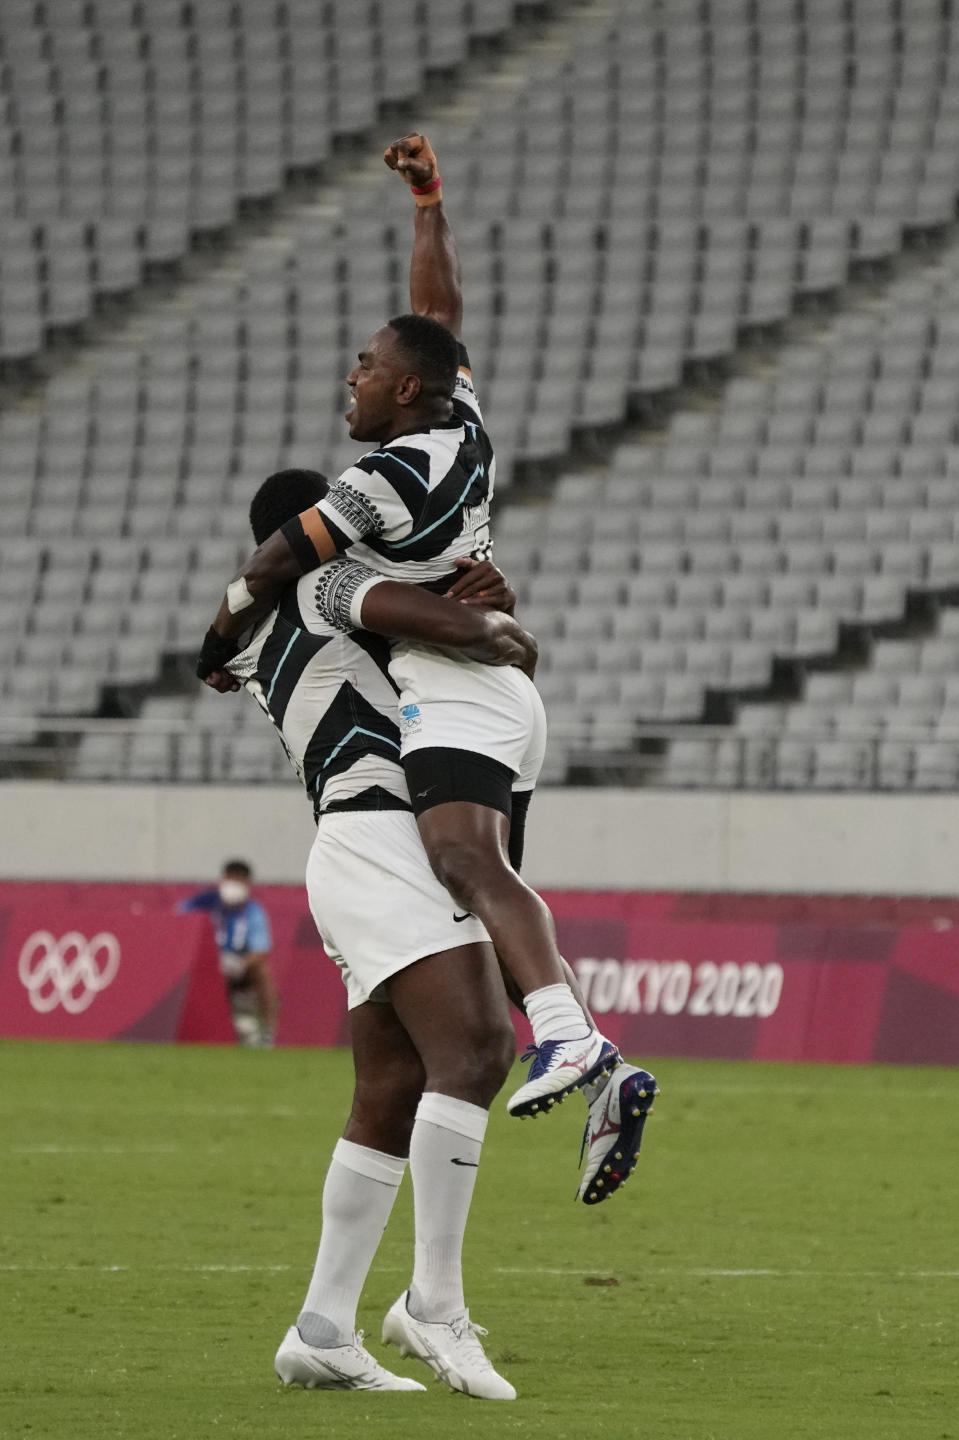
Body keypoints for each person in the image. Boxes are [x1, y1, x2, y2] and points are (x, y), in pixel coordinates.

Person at [196, 132, 632, 1119]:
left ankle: (571, 1038)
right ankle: (581, 1051)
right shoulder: (461, 427)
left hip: (451, 692)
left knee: (469, 872)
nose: (348, 378)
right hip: (495, 692)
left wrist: (214, 638)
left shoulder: (371, 495)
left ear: (402, 390)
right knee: (481, 881)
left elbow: (278, 565)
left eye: (363, 366)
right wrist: (428, 200)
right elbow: (438, 312)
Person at [226, 467, 541, 1397]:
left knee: (395, 1084)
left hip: (354, 842)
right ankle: (433, 1303)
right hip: (386, 836)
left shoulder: (268, 629)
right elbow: (487, 645)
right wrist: (487, 603)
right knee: (478, 1050)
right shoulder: (331, 596)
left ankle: (323, 1328)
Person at [178, 859, 278, 1048]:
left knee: (263, 973)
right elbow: (177, 924)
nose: (233, 885)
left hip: (237, 964)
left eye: (239, 880)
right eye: (230, 879)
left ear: (248, 884)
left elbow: (260, 950)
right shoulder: (204, 902)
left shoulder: (253, 911)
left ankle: (266, 1034)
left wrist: (241, 964)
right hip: (202, 963)